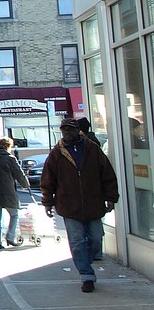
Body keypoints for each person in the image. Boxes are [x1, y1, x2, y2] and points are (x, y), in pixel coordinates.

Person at [40, 117, 119, 293]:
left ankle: (86, 261)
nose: (67, 133)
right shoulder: (57, 153)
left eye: (70, 129)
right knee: (77, 242)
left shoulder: (92, 149)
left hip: (93, 203)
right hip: (69, 205)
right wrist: (47, 202)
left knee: (96, 238)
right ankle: (87, 276)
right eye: (64, 130)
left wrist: (111, 197)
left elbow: (107, 174)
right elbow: (48, 180)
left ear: (78, 131)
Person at [0, 136, 30, 250]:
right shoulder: (10, 159)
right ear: (7, 147)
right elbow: (19, 174)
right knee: (14, 215)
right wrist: (25, 184)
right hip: (7, 192)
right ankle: (10, 237)